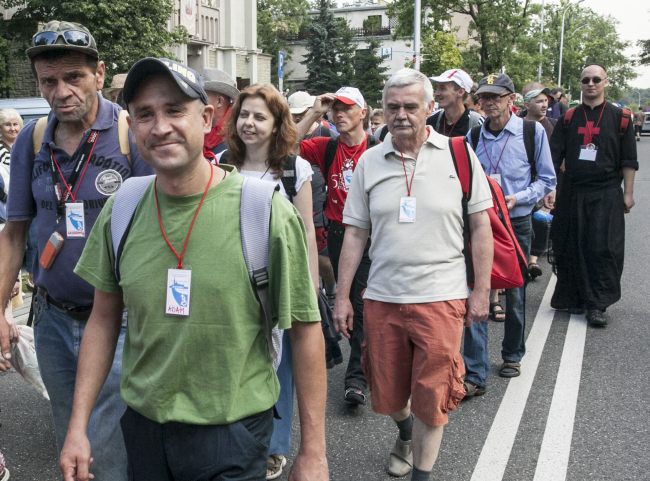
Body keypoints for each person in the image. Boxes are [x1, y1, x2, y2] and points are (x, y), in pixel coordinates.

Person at [59, 58, 328, 481]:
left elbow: (306, 331)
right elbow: (103, 320)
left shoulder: (262, 210)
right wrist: (78, 427)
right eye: (145, 114)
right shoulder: (124, 206)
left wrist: (314, 453)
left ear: (207, 119)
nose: (160, 126)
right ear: (132, 126)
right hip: (145, 427)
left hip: (233, 432)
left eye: (174, 110)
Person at [0, 20, 153, 481]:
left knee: (104, 444)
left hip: (119, 319)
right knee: (72, 433)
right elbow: (14, 231)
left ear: (99, 73)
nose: (61, 91)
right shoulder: (32, 138)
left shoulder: (130, 133)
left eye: (74, 78)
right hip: (50, 318)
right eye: (49, 81)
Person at [334, 68, 493, 481]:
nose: (401, 114)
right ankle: (404, 432)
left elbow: (480, 226)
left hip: (442, 296)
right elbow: (355, 234)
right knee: (389, 396)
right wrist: (341, 296)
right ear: (382, 111)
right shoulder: (370, 161)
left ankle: (422, 472)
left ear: (429, 108)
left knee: (433, 396)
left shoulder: (459, 154)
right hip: (383, 297)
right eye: (392, 107)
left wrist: (481, 292)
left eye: (410, 106)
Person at [222, 83, 320, 480]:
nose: (249, 123)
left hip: (279, 280)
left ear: (278, 123)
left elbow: (308, 230)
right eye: (244, 115)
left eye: (259, 116)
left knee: (280, 364)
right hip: (232, 281)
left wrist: (311, 285)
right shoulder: (219, 163)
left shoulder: (296, 169)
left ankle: (275, 446)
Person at [463, 73, 556, 397]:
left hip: (515, 223)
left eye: (496, 97)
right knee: (475, 290)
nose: (488, 103)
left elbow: (546, 178)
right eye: (484, 97)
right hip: (480, 224)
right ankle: (474, 370)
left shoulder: (531, 132)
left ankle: (512, 355)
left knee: (515, 294)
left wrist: (519, 197)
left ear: (511, 100)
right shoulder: (473, 137)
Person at [296, 86, 372, 406]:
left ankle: (356, 377)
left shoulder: (377, 147)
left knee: (362, 301)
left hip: (370, 233)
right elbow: (284, 145)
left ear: (363, 112)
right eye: (334, 108)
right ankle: (364, 361)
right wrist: (315, 111)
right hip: (339, 233)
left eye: (346, 108)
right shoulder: (326, 147)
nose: (338, 114)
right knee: (349, 299)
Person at [549, 64, 637, 327]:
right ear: (580, 83)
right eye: (586, 79)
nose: (591, 84)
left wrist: (628, 193)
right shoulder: (569, 117)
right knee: (571, 244)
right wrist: (552, 188)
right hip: (573, 191)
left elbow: (629, 160)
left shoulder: (620, 117)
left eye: (596, 79)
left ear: (605, 82)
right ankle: (574, 296)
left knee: (602, 248)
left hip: (607, 191)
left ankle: (597, 303)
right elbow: (554, 157)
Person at [522, 83, 557, 280]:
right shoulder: (517, 123)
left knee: (541, 222)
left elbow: (560, 159)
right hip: (522, 183)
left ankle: (533, 261)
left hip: (545, 183)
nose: (544, 105)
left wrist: (554, 186)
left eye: (546, 101)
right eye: (540, 101)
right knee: (523, 223)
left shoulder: (554, 125)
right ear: (527, 103)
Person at [428, 68, 483, 136]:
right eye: (437, 88)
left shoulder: (477, 123)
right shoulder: (432, 120)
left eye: (442, 88)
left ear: (460, 92)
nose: (437, 93)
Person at [202, 68, 240, 157]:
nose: (197, 101)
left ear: (219, 101)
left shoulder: (237, 134)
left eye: (202, 96)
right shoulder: (200, 127)